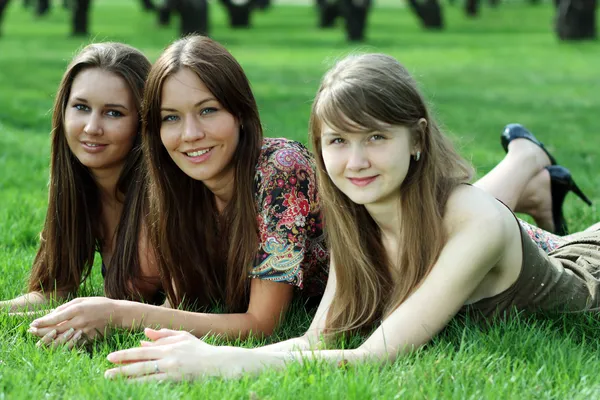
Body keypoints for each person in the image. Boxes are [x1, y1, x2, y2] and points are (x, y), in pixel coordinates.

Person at [103, 52, 598, 381]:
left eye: (376, 138)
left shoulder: (476, 220)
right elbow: (318, 340)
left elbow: (375, 356)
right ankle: (530, 165)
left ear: (418, 139)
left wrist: (223, 364)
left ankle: (528, 163)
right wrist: (207, 352)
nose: (355, 162)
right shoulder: (356, 218)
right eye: (338, 141)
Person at [27, 35, 329, 344]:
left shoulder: (282, 169)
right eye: (171, 117)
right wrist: (100, 321)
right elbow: (178, 306)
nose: (190, 134)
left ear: (239, 111)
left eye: (207, 110)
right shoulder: (182, 185)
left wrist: (117, 314)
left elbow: (263, 324)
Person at [1, 42, 164, 347]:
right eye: (81, 107)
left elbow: (187, 306)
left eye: (113, 113)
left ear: (143, 121)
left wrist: (110, 320)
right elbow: (55, 289)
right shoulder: (80, 190)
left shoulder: (162, 198)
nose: (92, 127)